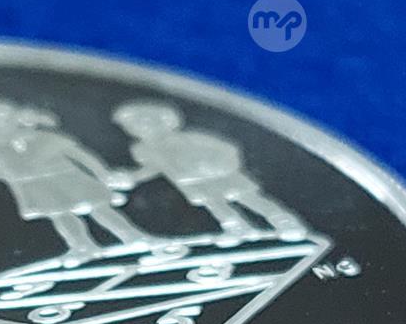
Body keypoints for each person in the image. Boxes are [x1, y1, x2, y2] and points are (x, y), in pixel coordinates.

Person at [0, 98, 154, 265]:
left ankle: (132, 236)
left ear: (14, 116)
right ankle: (83, 246)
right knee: (60, 215)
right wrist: (13, 173)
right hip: (33, 185)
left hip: (66, 176)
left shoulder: (41, 136)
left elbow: (79, 155)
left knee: (98, 207)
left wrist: (103, 174)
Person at [110, 102, 307, 245]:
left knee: (249, 199)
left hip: (221, 175)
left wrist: (221, 165)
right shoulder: (143, 149)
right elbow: (154, 169)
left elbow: (227, 149)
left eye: (145, 121)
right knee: (215, 204)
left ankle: (285, 223)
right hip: (191, 183)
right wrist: (132, 177)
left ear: (166, 122)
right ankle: (238, 228)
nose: (140, 127)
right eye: (133, 124)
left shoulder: (190, 137)